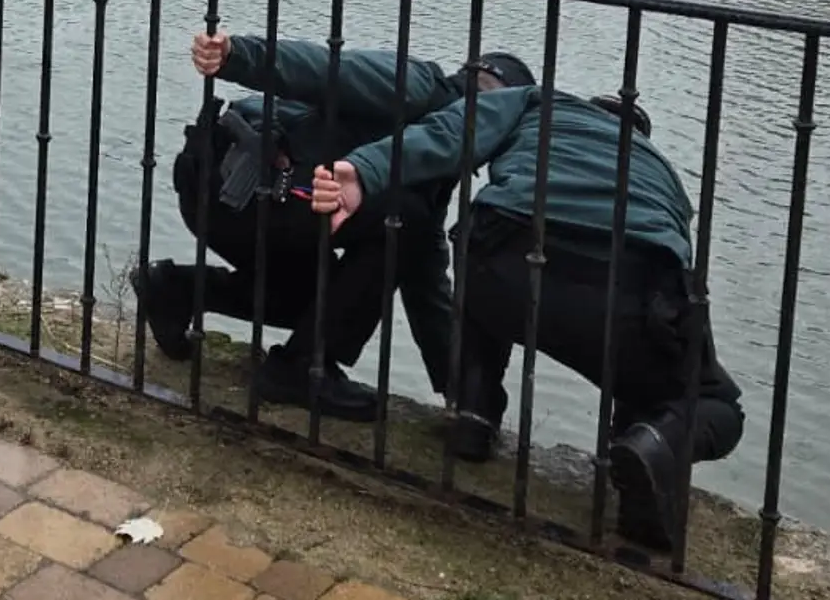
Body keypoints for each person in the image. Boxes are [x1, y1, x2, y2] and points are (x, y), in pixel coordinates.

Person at [308, 86, 744, 551]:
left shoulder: (539, 104)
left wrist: (365, 171)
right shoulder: (662, 173)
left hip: (509, 257)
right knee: (708, 399)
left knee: (482, 253)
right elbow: (676, 285)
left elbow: (451, 131)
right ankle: (650, 444)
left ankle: (474, 413)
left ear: (587, 108)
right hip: (626, 287)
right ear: (640, 136)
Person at [131, 28, 535, 422]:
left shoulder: (436, 165)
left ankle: (175, 290)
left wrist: (464, 395)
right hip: (243, 185)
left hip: (233, 196)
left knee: (315, 301)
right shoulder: (417, 87)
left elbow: (425, 281)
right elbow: (326, 68)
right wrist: (239, 55)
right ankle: (304, 368)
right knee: (404, 222)